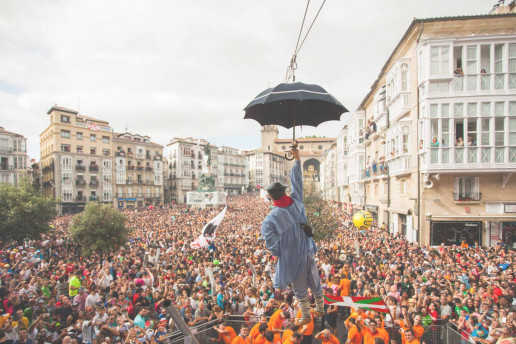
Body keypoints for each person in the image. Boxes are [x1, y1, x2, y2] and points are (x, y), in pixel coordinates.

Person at [261, 146, 324, 326]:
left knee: (299, 286)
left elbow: (270, 240)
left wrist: (281, 251)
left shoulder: (271, 218)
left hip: (292, 255)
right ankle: (320, 308)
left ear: (271, 198)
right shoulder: (296, 200)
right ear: (284, 192)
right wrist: (297, 159)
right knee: (313, 277)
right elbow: (298, 181)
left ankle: (305, 315)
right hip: (307, 247)